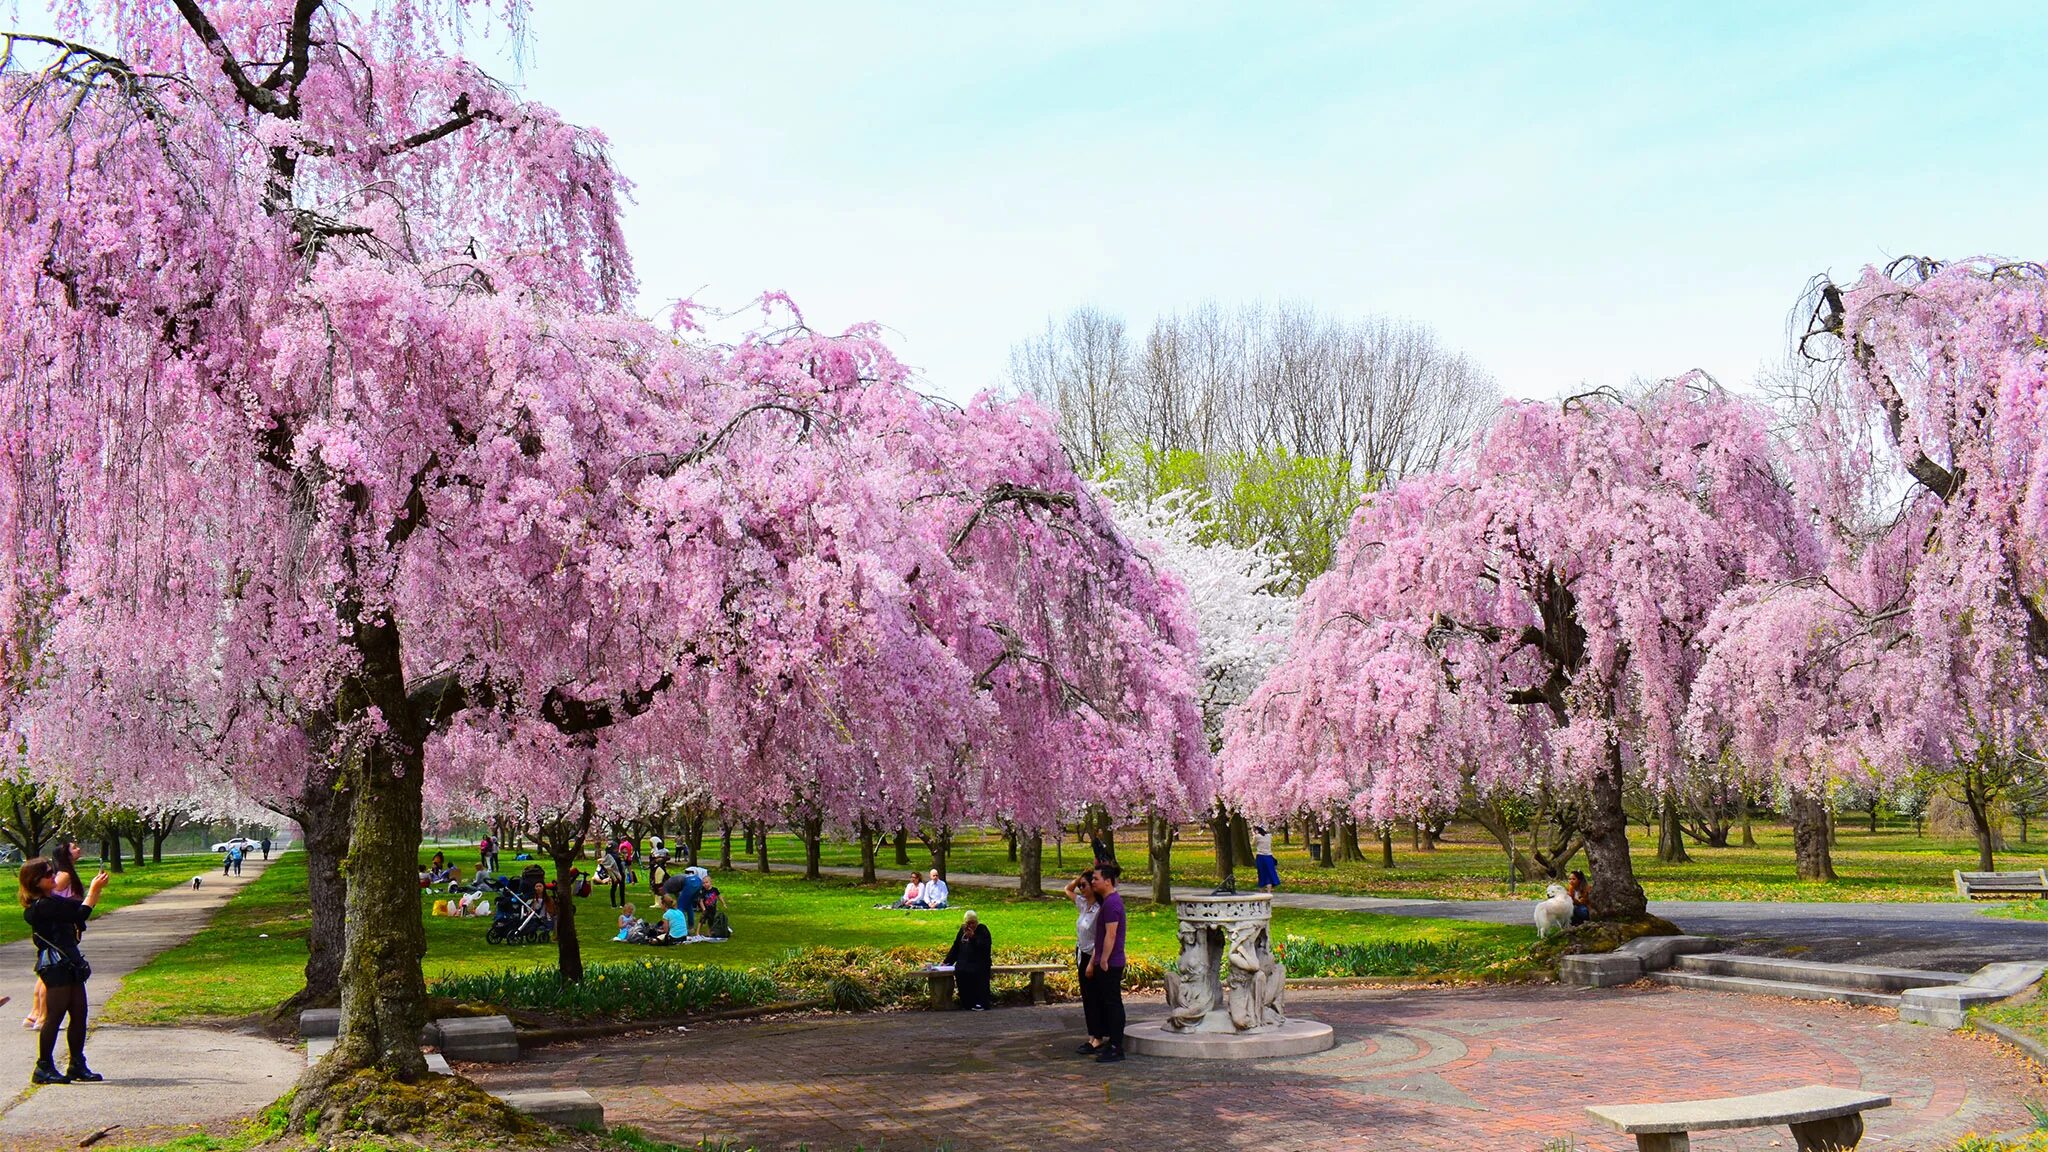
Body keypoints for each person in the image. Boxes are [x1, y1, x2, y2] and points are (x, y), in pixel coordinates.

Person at [23, 856, 108, 1084]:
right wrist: (93, 891)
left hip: (70, 962)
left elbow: (79, 911)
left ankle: (77, 1063)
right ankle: (43, 1066)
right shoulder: (41, 907)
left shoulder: (53, 900)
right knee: (55, 1015)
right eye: (48, 873)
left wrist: (94, 892)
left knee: (79, 1013)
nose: (54, 876)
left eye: (53, 871)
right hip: (55, 965)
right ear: (35, 880)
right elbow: (79, 913)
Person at [24, 843, 85, 1032]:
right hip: (58, 931)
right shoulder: (64, 875)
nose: (79, 850)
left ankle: (35, 1014)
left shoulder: (66, 872)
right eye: (74, 848)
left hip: (60, 927)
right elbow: (54, 898)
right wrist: (91, 896)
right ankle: (41, 1016)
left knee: (47, 974)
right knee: (52, 974)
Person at [1087, 863, 1127, 1062]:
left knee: (1113, 1003)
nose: (1092, 882)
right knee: (1108, 1003)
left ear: (1107, 881)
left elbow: (1111, 934)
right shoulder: (1108, 902)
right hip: (1107, 961)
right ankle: (1112, 1043)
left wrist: (1103, 959)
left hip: (1111, 963)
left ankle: (1116, 1046)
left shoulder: (1112, 904)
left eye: (1096, 878)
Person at [1064, 870, 1104, 1053]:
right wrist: (1078, 878)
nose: (1080, 888)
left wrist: (1091, 963)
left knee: (1094, 996)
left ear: (1093, 888)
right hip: (1081, 952)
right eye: (1080, 886)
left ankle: (1097, 1036)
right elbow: (1067, 889)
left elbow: (1100, 938)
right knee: (1087, 997)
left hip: (1092, 955)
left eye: (1084, 885)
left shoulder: (1098, 909)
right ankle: (1092, 1034)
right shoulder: (1082, 904)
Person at [943, 910, 993, 1011]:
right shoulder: (962, 931)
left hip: (980, 962)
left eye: (973, 923)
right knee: (961, 971)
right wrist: (947, 962)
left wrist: (973, 937)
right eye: (968, 923)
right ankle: (967, 1003)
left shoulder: (982, 929)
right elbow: (956, 947)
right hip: (964, 962)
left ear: (976, 922)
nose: (971, 925)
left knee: (976, 972)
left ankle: (981, 1003)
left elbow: (984, 946)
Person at [1253, 825, 1281, 892]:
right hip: (1269, 856)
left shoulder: (1256, 837)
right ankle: (1269, 892)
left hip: (1260, 856)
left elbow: (1253, 844)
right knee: (1269, 873)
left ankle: (1261, 891)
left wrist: (1254, 836)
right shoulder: (1269, 836)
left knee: (1261, 873)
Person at [600, 842, 626, 909]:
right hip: (620, 873)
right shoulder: (617, 856)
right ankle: (622, 903)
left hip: (613, 874)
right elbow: (622, 863)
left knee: (613, 888)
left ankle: (613, 904)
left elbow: (603, 865)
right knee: (622, 888)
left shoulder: (607, 856)